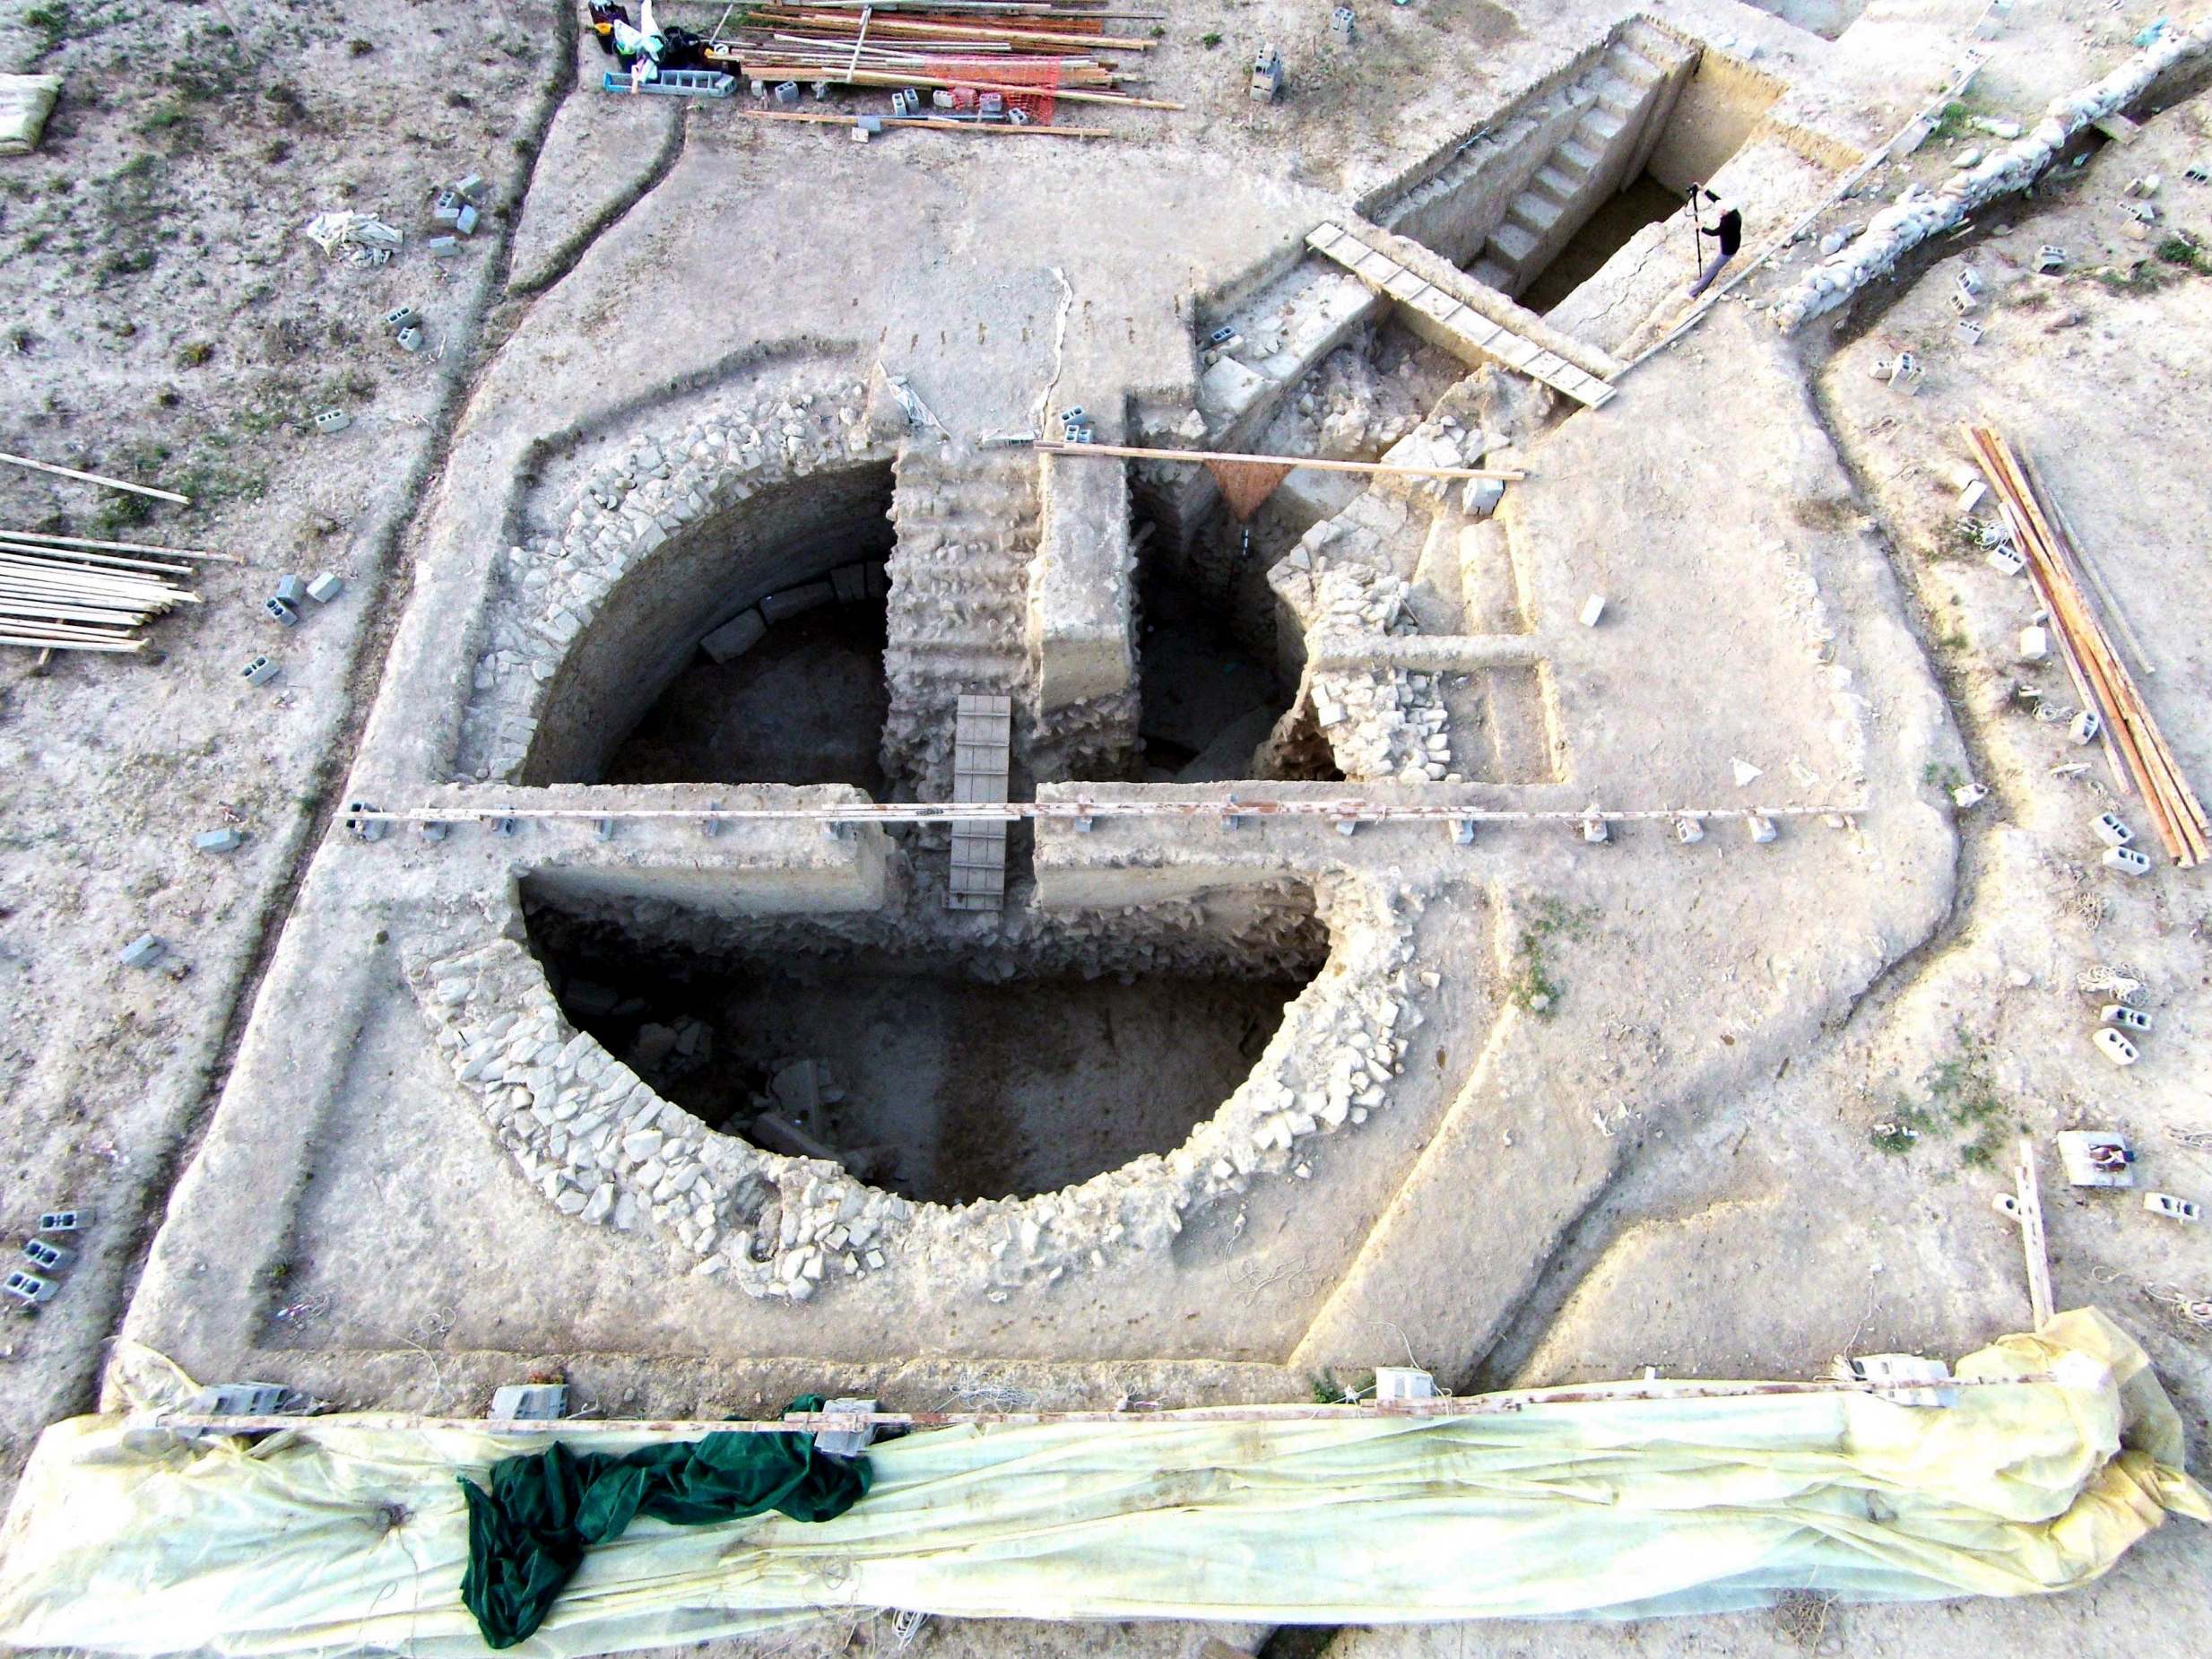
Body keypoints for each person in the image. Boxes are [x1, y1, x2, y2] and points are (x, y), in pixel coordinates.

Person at [1686, 187, 1743, 299]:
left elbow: (1714, 232)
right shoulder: (1733, 212)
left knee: (1711, 269)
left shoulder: (1728, 222)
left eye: (1721, 209)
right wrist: (1703, 190)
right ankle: (1701, 285)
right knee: (1713, 269)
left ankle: (1692, 293)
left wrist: (1701, 227)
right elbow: (1717, 200)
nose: (1719, 210)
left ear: (1726, 211)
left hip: (1728, 250)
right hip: (1732, 245)